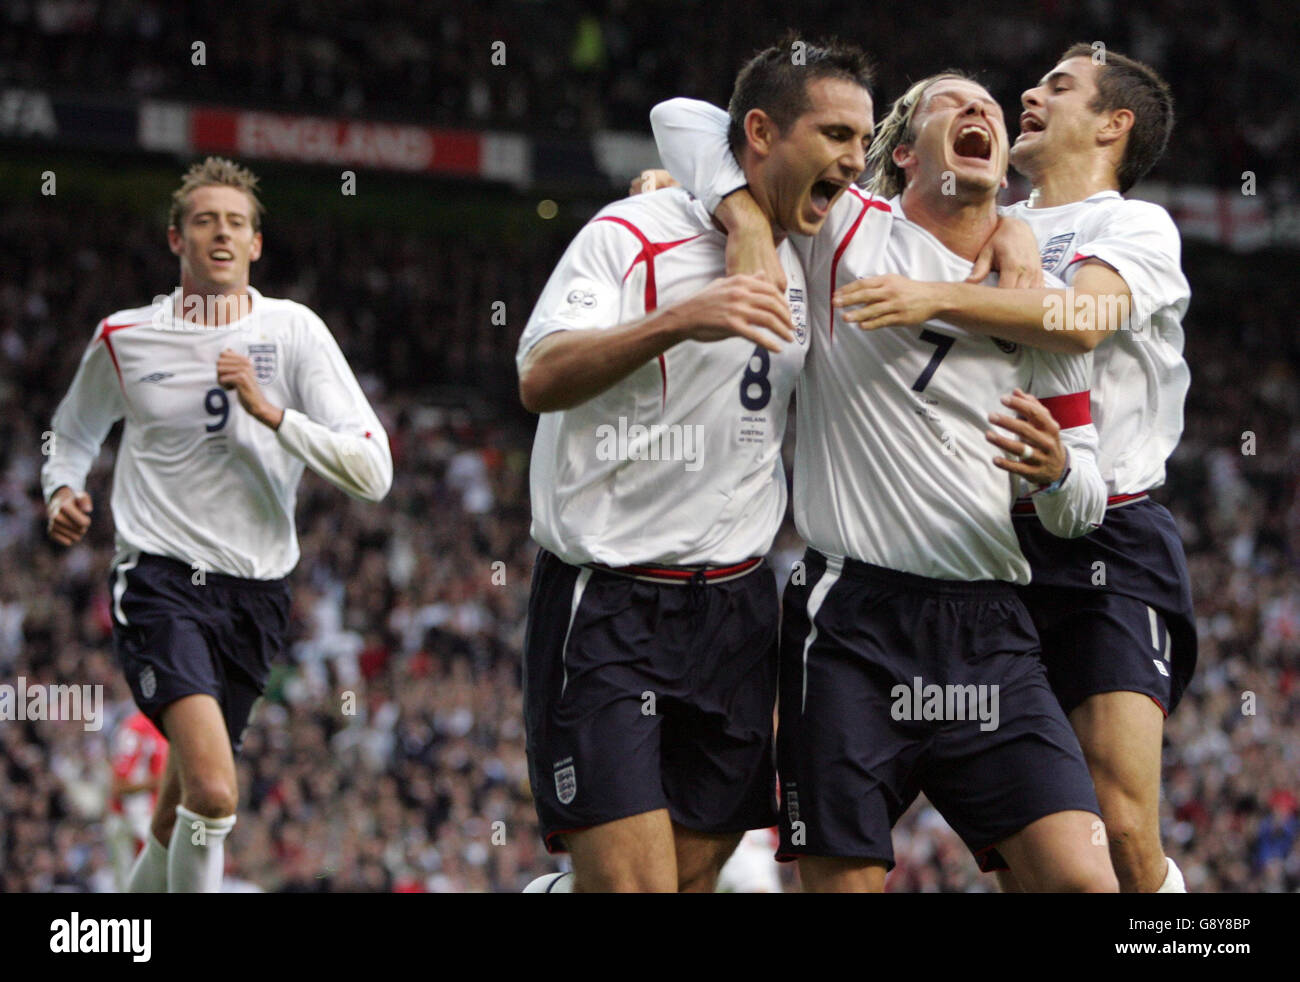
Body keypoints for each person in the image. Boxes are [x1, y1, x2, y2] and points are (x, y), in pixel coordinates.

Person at [648, 71, 1118, 892]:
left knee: (1086, 884)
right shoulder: (846, 231)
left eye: (992, 110)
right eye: (951, 102)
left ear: (1004, 163)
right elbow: (679, 116)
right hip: (852, 627)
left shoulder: (1036, 299)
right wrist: (742, 219)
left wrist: (1056, 474)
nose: (979, 111)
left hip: (991, 633)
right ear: (900, 154)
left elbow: (1084, 506)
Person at [828, 45, 1194, 893]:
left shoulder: (1134, 226)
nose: (1028, 92)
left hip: (1107, 539)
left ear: (1114, 124)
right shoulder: (990, 220)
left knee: (1123, 823)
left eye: (1059, 88)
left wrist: (934, 298)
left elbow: (1079, 319)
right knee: (1038, 844)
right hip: (984, 550)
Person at [516, 36, 872, 893]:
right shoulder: (634, 231)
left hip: (738, 611)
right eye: (834, 136)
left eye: (863, 141)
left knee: (692, 880)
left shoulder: (828, 253)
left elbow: (685, 123)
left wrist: (749, 214)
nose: (856, 163)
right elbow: (540, 375)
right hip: (610, 601)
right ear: (758, 132)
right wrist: (680, 320)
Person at [43, 156, 392, 892]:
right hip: (161, 582)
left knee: (176, 819)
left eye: (236, 223)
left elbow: (374, 470)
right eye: (205, 221)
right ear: (177, 239)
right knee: (213, 792)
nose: (222, 235)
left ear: (257, 245)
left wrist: (275, 414)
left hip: (260, 593)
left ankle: (119, 938)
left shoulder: (293, 332)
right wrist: (61, 487)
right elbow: (73, 431)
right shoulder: (127, 337)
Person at [105, 710, 169, 890]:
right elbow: (118, 786)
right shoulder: (136, 728)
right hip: (133, 824)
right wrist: (163, 781)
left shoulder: (168, 725)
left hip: (153, 822)